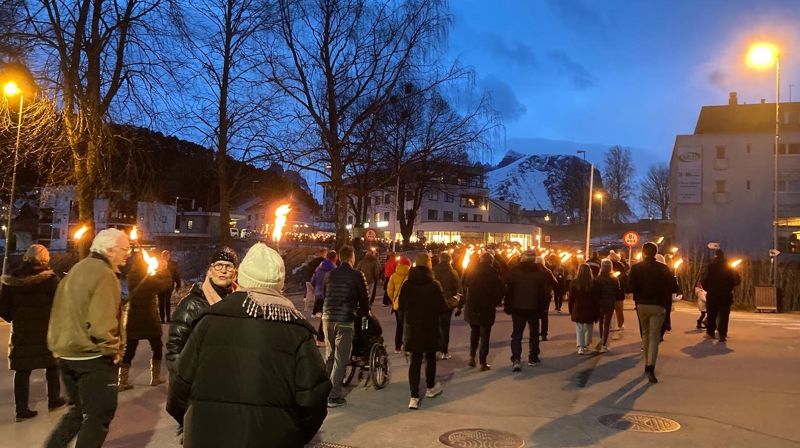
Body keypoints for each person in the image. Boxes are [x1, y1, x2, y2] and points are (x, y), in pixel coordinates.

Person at [167, 243, 331, 447]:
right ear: (279, 284)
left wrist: (195, 426)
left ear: (242, 277)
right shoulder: (297, 332)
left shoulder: (207, 321)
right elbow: (314, 401)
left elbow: (178, 389)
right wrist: (292, 435)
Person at [45, 228, 130, 448]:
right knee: (98, 416)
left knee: (77, 412)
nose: (127, 254)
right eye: (125, 249)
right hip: (91, 358)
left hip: (66, 354)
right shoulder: (104, 274)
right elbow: (102, 323)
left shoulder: (77, 269)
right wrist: (113, 350)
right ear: (110, 250)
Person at [0, 244, 66, 422]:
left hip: (22, 332)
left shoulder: (12, 280)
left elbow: (3, 309)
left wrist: (17, 319)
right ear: (44, 259)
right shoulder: (50, 280)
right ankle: (54, 400)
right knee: (52, 365)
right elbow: (60, 304)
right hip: (46, 330)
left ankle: (21, 410)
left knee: (22, 370)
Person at [166, 247, 238, 375]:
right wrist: (183, 380)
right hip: (199, 378)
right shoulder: (191, 305)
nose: (223, 270)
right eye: (218, 266)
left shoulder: (240, 304)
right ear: (210, 271)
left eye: (228, 266)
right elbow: (174, 350)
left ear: (235, 273)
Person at [398, 253, 448, 410]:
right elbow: (442, 308)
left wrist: (406, 322)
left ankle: (413, 397)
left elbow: (401, 307)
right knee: (431, 357)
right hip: (430, 327)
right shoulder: (434, 285)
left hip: (413, 327)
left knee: (415, 361)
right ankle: (430, 388)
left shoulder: (407, 284)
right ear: (428, 265)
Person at [322, 245, 369, 408]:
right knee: (340, 359)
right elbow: (364, 300)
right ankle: (334, 396)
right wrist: (365, 315)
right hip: (345, 320)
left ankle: (322, 391)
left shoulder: (329, 275)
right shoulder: (357, 275)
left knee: (329, 355)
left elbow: (324, 295)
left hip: (327, 318)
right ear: (352, 257)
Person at [118, 251, 173, 391]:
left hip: (134, 318)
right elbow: (165, 283)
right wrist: (164, 270)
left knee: (129, 349)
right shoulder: (148, 280)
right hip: (149, 319)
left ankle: (122, 381)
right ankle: (155, 378)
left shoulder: (131, 277)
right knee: (157, 347)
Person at [628, 242, 675, 383]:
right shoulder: (664, 269)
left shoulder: (636, 268)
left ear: (643, 252)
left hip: (642, 305)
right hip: (658, 305)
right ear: (656, 253)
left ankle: (646, 362)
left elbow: (630, 287)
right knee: (655, 336)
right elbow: (674, 287)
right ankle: (650, 367)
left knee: (645, 333)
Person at [505, 252, 557, 371]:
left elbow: (508, 289)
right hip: (534, 307)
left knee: (517, 334)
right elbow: (544, 292)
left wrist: (509, 305)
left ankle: (516, 359)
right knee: (534, 333)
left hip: (517, 308)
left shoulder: (515, 272)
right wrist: (543, 307)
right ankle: (533, 357)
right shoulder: (540, 273)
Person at [463, 252, 504, 371]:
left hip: (473, 306)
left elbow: (465, 284)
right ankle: (483, 361)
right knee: (485, 334)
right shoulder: (493, 273)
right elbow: (499, 290)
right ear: (491, 261)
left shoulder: (472, 270)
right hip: (486, 307)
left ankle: (471, 357)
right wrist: (495, 302)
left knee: (474, 332)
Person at [701, 249, 741, 343]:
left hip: (712, 294)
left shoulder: (710, 266)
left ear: (716, 256)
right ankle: (722, 334)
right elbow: (737, 280)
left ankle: (710, 332)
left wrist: (708, 289)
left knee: (711, 314)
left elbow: (704, 279)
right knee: (724, 315)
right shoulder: (730, 267)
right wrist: (730, 287)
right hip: (726, 294)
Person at [433, 252, 460, 360]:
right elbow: (458, 289)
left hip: (435, 302)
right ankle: (444, 351)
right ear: (450, 260)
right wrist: (459, 305)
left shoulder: (433, 271)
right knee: (445, 327)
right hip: (448, 303)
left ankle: (435, 349)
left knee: (435, 326)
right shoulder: (453, 272)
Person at [594, 259, 623, 353]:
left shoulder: (598, 279)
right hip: (610, 303)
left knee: (601, 322)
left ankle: (601, 339)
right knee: (607, 324)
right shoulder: (614, 279)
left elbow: (595, 291)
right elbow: (618, 291)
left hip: (600, 303)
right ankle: (604, 344)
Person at [311, 251, 338, 345]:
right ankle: (321, 338)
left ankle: (322, 338)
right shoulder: (334, 269)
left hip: (319, 294)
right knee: (328, 317)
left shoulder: (319, 268)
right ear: (335, 258)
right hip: (328, 294)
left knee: (325, 316)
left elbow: (312, 281)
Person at [569, 264, 596, 355]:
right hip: (590, 307)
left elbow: (571, 298)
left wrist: (571, 309)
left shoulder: (574, 282)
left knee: (579, 327)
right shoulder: (593, 283)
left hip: (578, 307)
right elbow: (596, 298)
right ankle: (586, 344)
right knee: (588, 326)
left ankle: (580, 346)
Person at [387, 256, 411, 353]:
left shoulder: (394, 276)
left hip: (397, 305)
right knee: (408, 325)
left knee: (399, 325)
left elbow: (389, 290)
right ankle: (407, 346)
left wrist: (393, 299)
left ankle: (397, 347)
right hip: (408, 304)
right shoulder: (410, 276)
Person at [157, 250, 182, 323]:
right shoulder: (158, 264)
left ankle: (168, 318)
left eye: (167, 255)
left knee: (167, 301)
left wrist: (178, 284)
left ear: (169, 256)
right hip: (160, 285)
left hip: (169, 285)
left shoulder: (173, 264)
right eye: (164, 255)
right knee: (161, 302)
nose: (165, 257)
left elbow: (176, 274)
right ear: (162, 256)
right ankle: (162, 318)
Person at [536, 256, 556, 341]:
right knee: (544, 315)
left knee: (535, 315)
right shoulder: (547, 271)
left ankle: (535, 333)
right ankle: (544, 333)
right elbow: (555, 282)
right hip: (546, 295)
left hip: (535, 295)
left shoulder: (532, 271)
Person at [607, 251, 628, 330]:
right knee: (619, 310)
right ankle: (620, 324)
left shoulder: (607, 265)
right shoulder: (621, 265)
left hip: (609, 292)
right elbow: (625, 278)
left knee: (609, 310)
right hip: (619, 292)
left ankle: (608, 325)